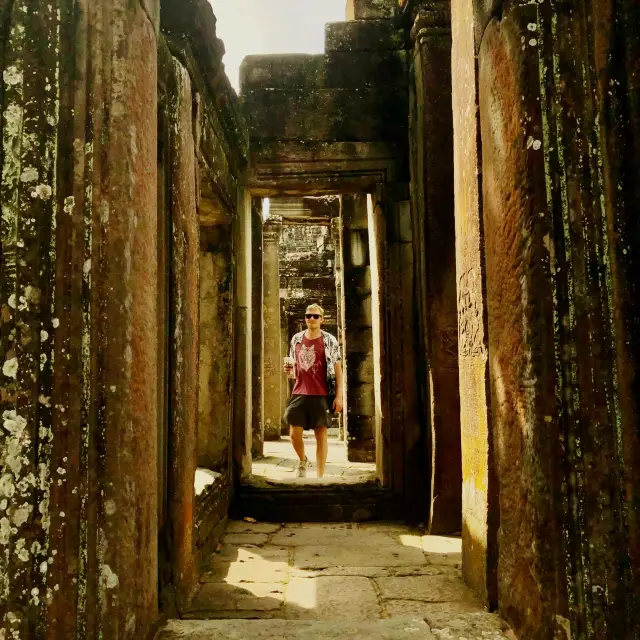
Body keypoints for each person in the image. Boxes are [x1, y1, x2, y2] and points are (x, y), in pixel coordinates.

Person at [283, 303, 343, 478]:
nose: (312, 319)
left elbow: (338, 369)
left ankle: (320, 476)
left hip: (322, 392)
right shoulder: (297, 339)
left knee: (321, 436)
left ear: (322, 319)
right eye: (309, 315)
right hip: (300, 391)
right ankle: (303, 460)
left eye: (316, 316)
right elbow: (293, 370)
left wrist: (339, 396)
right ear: (305, 319)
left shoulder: (329, 340)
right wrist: (288, 371)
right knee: (294, 433)